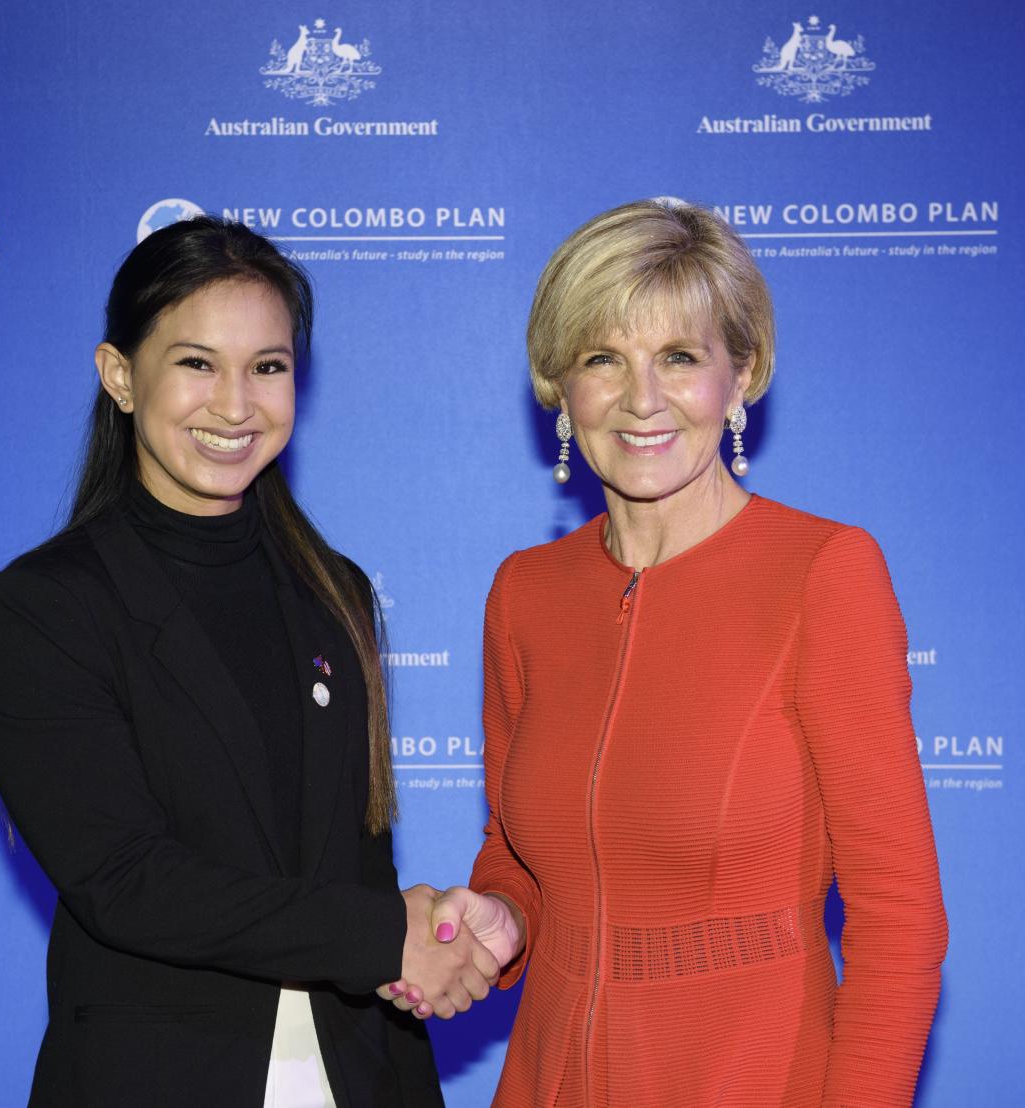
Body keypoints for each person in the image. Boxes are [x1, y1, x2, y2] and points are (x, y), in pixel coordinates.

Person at [383, 200, 948, 1105]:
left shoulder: (823, 573)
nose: (641, 397)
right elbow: (521, 853)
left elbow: (899, 919)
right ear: (558, 385)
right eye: (603, 358)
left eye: (680, 357)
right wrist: (500, 919)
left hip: (752, 1075)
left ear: (743, 373)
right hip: (548, 1080)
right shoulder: (525, 593)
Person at [0, 215, 499, 1107]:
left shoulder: (336, 590)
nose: (235, 404)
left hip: (356, 1070)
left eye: (268, 366)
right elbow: (127, 882)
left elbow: (360, 863)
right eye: (195, 363)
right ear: (120, 377)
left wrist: (414, 957)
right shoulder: (46, 606)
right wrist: (380, 939)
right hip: (157, 1077)